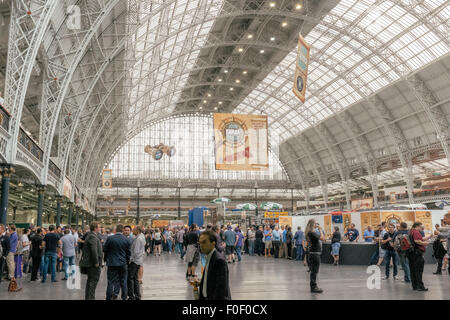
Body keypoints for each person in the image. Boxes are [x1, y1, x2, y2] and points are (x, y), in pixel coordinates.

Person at [197, 230, 231, 300]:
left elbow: (221, 289)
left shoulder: (219, 260)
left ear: (213, 243)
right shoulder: (209, 257)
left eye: (204, 242)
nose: (201, 245)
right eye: (200, 243)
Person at [103, 224, 131, 300]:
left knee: (110, 281)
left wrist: (105, 259)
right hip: (123, 263)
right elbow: (129, 253)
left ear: (115, 230)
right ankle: (124, 297)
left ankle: (108, 297)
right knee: (123, 281)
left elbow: (105, 249)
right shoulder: (126, 239)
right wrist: (127, 261)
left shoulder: (110, 238)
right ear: (122, 230)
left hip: (112, 263)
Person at [79, 222, 103, 300]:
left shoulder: (90, 235)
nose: (100, 228)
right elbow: (94, 250)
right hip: (93, 265)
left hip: (90, 264)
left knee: (90, 283)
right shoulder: (93, 236)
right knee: (93, 283)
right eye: (99, 227)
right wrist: (96, 262)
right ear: (95, 228)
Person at [408, 222, 432, 291]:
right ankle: (420, 286)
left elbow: (420, 239)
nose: (422, 228)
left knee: (413, 270)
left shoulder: (411, 232)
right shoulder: (416, 232)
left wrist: (428, 237)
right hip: (417, 253)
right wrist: (425, 243)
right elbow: (417, 241)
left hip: (411, 254)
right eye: (421, 227)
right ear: (417, 226)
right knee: (419, 271)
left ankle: (415, 285)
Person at [305, 219, 324, 293]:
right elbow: (322, 238)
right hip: (315, 253)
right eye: (316, 223)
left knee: (314, 271)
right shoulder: (311, 232)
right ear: (313, 224)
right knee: (314, 271)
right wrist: (320, 230)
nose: (317, 225)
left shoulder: (309, 232)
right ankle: (313, 287)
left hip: (314, 253)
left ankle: (314, 286)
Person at [128, 226, 145, 300]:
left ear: (137, 230)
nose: (132, 231)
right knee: (135, 279)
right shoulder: (140, 237)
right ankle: (137, 295)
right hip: (138, 261)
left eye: (133, 230)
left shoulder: (138, 239)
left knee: (130, 278)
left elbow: (136, 252)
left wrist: (131, 259)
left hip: (135, 261)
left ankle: (132, 296)